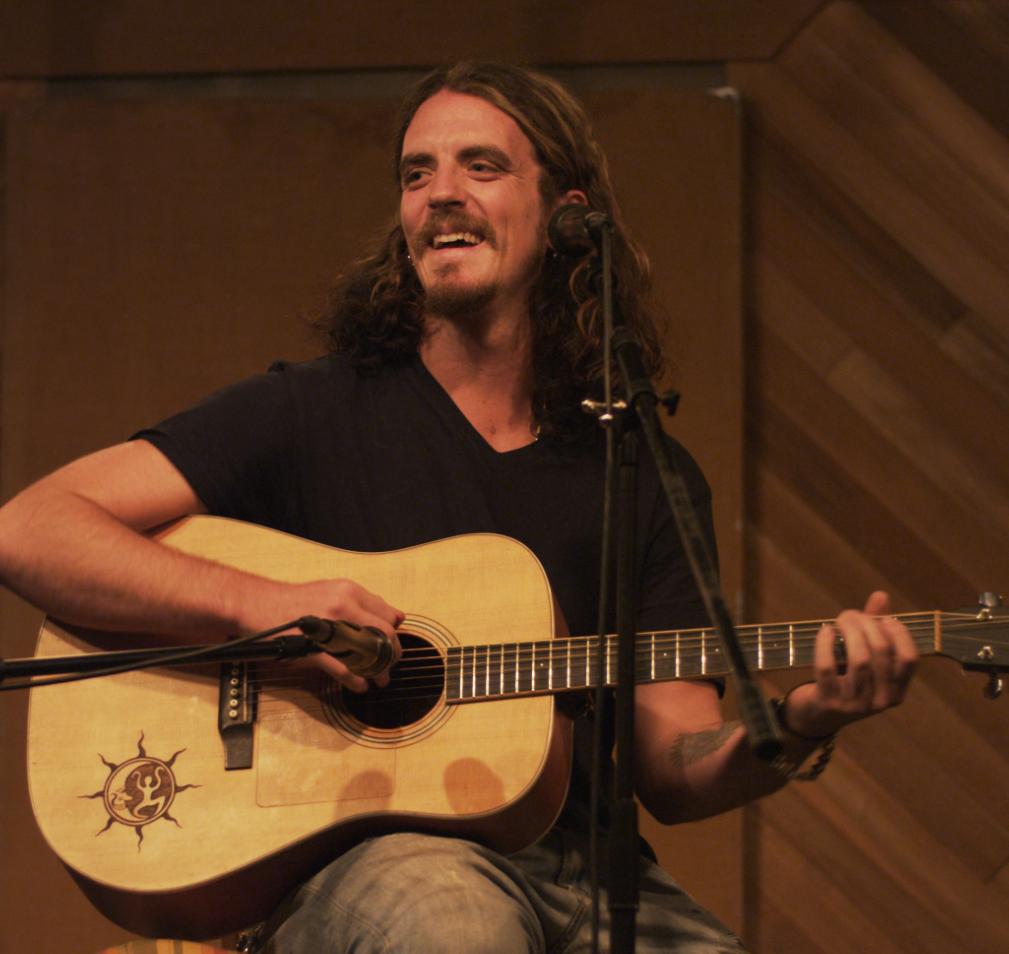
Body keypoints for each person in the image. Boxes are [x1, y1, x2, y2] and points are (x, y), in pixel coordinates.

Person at [0, 63, 918, 953]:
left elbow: (673, 766)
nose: (440, 193)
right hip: (369, 871)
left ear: (567, 216)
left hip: (592, 882)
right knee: (458, 926)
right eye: (416, 173)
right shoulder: (313, 411)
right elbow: (31, 530)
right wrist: (254, 605)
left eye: (480, 166)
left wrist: (801, 724)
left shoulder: (637, 465)